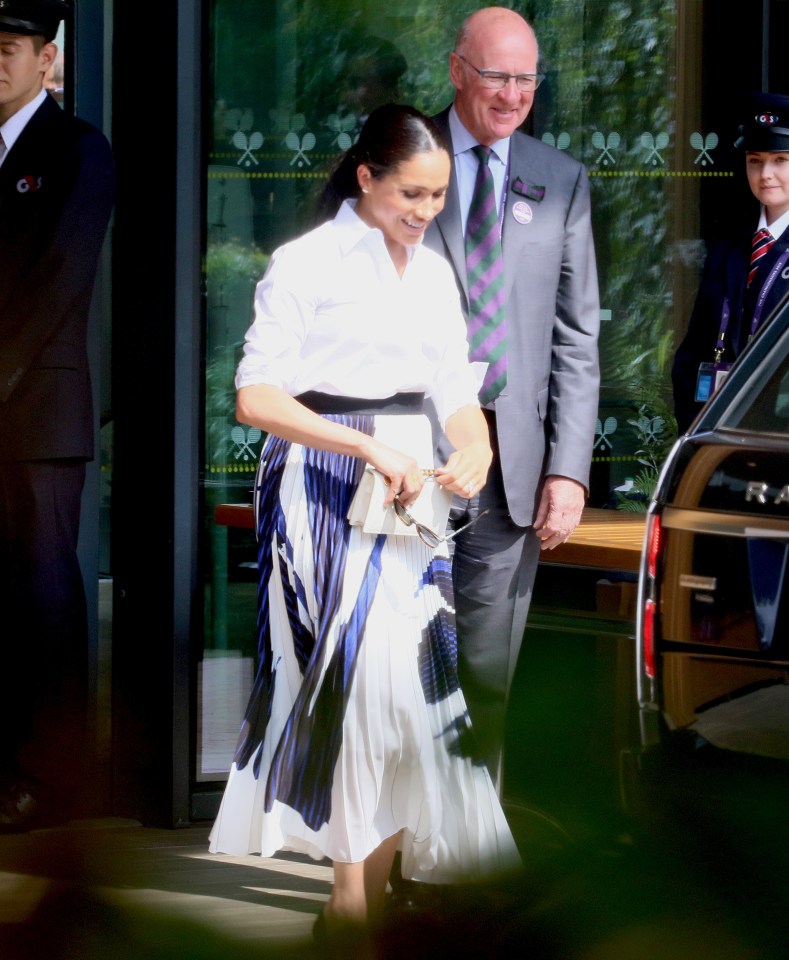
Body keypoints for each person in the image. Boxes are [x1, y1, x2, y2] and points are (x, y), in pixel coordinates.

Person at [208, 103, 520, 933]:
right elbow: (256, 394)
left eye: (437, 198)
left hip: (413, 490)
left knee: (408, 695)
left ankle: (363, 905)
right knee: (353, 685)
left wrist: (473, 445)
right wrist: (362, 445)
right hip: (321, 483)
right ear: (366, 178)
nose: (424, 213)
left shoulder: (433, 272)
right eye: (410, 195)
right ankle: (351, 898)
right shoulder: (305, 262)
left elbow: (454, 385)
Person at [423, 8, 600, 789]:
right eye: (496, 75)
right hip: (410, 456)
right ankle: (387, 855)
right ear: (458, 70)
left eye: (526, 78)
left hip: (511, 469)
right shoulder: (397, 153)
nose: (511, 93)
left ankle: (464, 864)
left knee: (487, 678)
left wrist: (569, 471)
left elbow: (575, 337)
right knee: (401, 675)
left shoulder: (559, 179)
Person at [0, 0, 115, 831]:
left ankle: (50, 777)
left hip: (36, 413)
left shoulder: (77, 149)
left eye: (8, 48)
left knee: (42, 596)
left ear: (47, 59)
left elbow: (61, 275)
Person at [673, 91, 789, 433]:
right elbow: (693, 351)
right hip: (718, 435)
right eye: (755, 160)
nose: (765, 173)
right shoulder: (731, 245)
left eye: (780, 160)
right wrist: (694, 434)